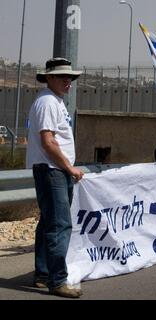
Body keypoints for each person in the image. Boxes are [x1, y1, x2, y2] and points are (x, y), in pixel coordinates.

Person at [26, 57, 84, 298]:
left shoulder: (53, 101)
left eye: (69, 77)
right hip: (53, 170)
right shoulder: (48, 102)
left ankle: (43, 273)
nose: (67, 81)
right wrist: (69, 169)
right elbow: (48, 141)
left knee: (50, 222)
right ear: (48, 77)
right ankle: (57, 280)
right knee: (60, 224)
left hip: (53, 169)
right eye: (62, 76)